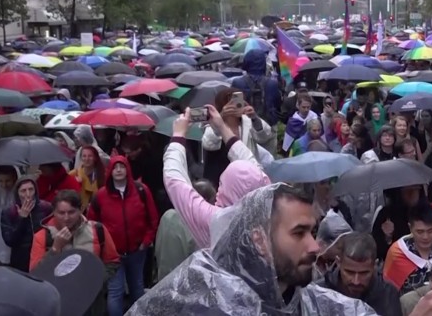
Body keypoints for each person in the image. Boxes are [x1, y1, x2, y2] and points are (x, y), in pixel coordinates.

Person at [127, 183, 378, 315]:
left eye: (312, 232)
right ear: (259, 240)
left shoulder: (305, 300)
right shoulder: (202, 296)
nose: (314, 246)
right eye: (298, 233)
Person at [165, 106, 271, 249]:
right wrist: (221, 126)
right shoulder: (268, 206)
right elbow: (251, 163)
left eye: (221, 184)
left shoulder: (213, 220)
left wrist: (178, 135)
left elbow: (174, 180)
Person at [86, 155, 160, 316]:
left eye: (122, 167)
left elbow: (153, 219)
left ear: (128, 169)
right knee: (115, 291)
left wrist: (146, 241)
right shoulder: (100, 196)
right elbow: (92, 225)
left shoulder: (141, 190)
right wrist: (102, 247)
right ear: (110, 172)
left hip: (137, 250)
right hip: (112, 255)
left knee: (137, 287)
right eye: (115, 167)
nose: (118, 170)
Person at [30, 190, 120, 316]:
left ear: (80, 210)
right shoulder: (42, 237)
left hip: (93, 303)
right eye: (61, 213)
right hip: (61, 304)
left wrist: (96, 281)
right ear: (54, 212)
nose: (66, 218)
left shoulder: (97, 230)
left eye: (71, 212)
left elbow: (112, 261)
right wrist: (55, 249)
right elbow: (35, 274)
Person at [316, 232, 402, 316]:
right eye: (349, 272)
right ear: (338, 262)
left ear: (375, 266)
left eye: (364, 273)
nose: (356, 281)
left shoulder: (387, 293)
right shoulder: (319, 291)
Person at [203, 89, 276, 183]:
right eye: (229, 103)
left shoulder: (248, 121)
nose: (233, 106)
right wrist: (221, 118)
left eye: (237, 101)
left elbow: (265, 137)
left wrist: (254, 117)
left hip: (247, 174)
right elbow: (208, 144)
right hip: (220, 174)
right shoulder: (214, 123)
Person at [383, 203, 432, 294]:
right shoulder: (397, 253)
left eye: (430, 231)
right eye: (420, 232)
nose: (425, 237)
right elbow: (388, 291)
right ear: (410, 228)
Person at [0, 178, 53, 271]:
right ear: (17, 193)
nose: (28, 194)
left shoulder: (46, 208)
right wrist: (22, 219)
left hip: (42, 254)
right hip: (21, 258)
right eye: (23, 191)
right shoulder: (9, 212)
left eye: (31, 189)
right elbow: (9, 240)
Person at [231, 48, 281, 125]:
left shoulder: (237, 82)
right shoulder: (272, 83)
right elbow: (277, 104)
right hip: (267, 124)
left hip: (244, 124)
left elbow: (235, 107)